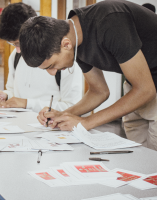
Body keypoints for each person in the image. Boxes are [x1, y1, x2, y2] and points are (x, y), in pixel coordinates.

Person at [19, 1, 157, 150]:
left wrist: (87, 122)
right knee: (140, 159)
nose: (52, 73)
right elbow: (99, 91)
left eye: (51, 66)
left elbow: (145, 89)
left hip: (145, 87)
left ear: (66, 45)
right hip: (137, 86)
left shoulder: (109, 22)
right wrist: (63, 114)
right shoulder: (75, 39)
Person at [0, 3, 82, 113]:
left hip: (49, 127)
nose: (18, 50)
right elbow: (13, 92)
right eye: (13, 44)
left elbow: (72, 107)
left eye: (19, 43)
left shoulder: (62, 59)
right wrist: (5, 95)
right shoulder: (15, 57)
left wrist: (27, 104)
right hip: (17, 123)